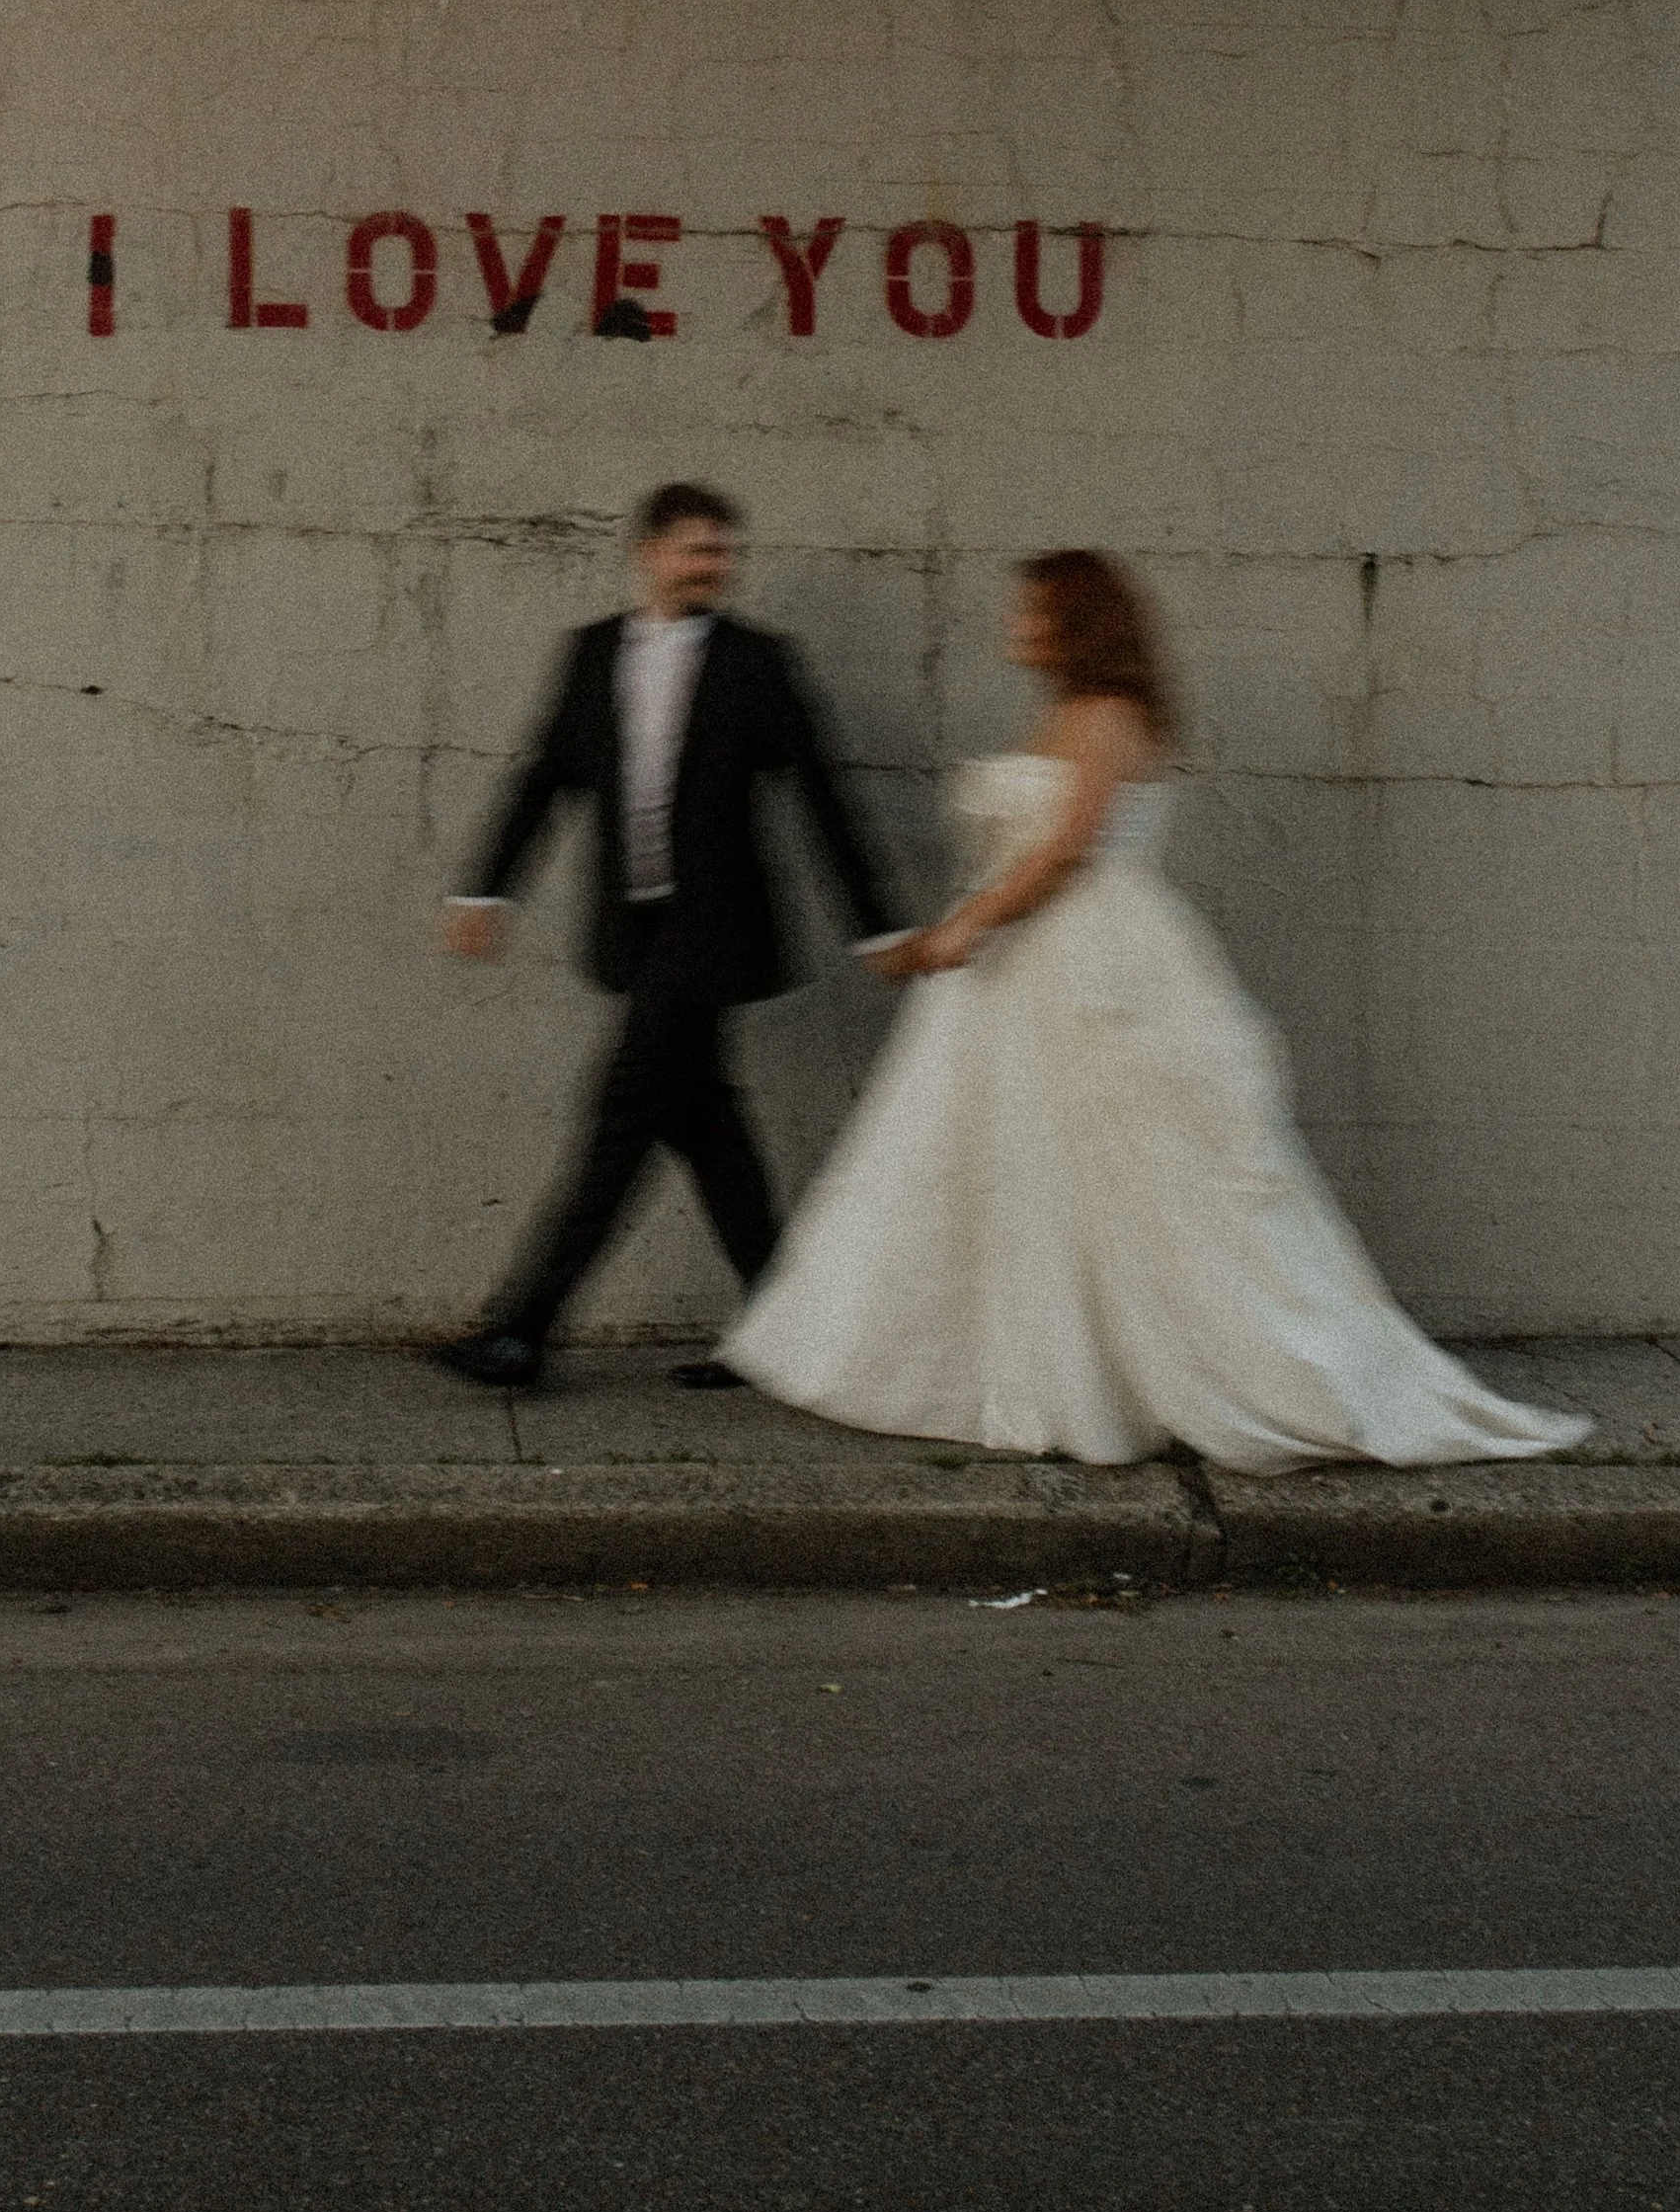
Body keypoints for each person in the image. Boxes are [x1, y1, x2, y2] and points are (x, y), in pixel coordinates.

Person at [723, 549, 1593, 1473]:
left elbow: (1066, 853)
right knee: (1029, 1165)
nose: (1015, 627)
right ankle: (1051, 1365)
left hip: (1094, 962)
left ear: (1075, 622)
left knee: (1126, 1167)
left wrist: (961, 930)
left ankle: (1192, 1373)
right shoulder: (1068, 714)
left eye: (1033, 612)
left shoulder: (1107, 717)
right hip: (1032, 966)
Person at [437, 480, 909, 1391]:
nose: (714, 567)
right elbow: (546, 779)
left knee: (619, 1120)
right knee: (707, 1129)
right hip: (635, 933)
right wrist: (488, 893)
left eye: (723, 553)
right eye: (697, 550)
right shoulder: (591, 655)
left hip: (715, 934)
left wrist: (879, 923)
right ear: (649, 551)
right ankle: (793, 1332)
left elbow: (822, 794)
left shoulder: (759, 663)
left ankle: (522, 1330)